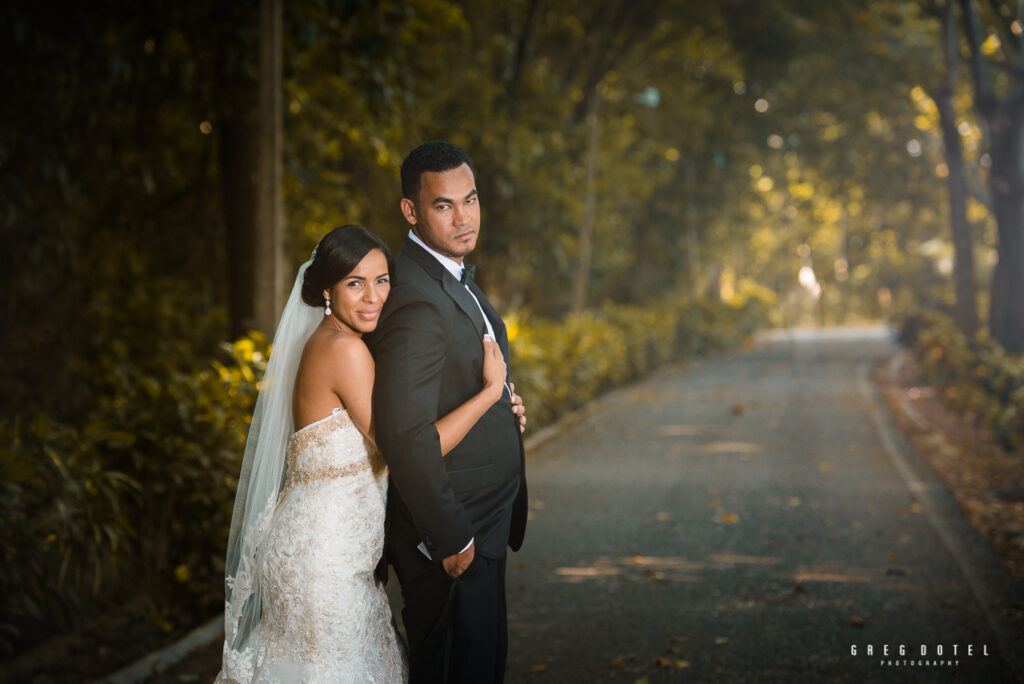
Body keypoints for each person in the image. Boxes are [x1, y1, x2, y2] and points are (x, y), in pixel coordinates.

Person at [215, 224, 521, 683]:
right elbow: (409, 445)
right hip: (325, 559)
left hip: (326, 552)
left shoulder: (333, 342)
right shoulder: (344, 351)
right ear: (325, 290)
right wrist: (489, 394)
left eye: (382, 281)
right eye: (355, 283)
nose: (373, 297)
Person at [367, 141, 529, 683]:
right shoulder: (414, 297)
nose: (464, 218)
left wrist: (502, 405)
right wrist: (451, 538)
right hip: (455, 534)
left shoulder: (451, 275)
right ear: (411, 211)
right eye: (444, 206)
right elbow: (404, 433)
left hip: (482, 523)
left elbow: (451, 383)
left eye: (471, 199)